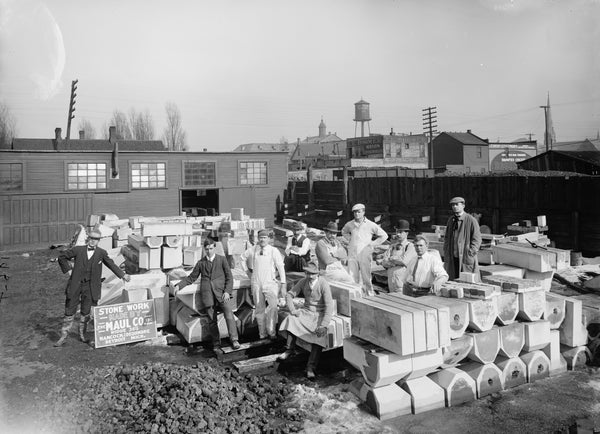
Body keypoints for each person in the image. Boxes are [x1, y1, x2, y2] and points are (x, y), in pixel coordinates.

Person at [56, 229, 130, 347]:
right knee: (70, 309)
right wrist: (69, 270)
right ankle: (63, 336)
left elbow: (111, 264)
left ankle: (82, 335)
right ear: (88, 239)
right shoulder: (78, 250)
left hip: (90, 286)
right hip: (76, 284)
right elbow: (62, 257)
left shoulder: (101, 253)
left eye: (96, 240)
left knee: (86, 311)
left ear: (98, 241)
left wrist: (122, 275)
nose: (93, 242)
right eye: (91, 239)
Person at [176, 238, 240, 350]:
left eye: (211, 248)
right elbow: (191, 278)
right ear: (204, 250)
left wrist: (227, 292)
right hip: (208, 295)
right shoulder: (201, 263)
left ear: (214, 248)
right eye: (207, 249)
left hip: (222, 294)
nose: (209, 251)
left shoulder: (222, 260)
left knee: (229, 316)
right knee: (212, 320)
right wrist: (179, 285)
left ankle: (234, 340)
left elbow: (229, 278)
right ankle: (216, 343)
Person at [277, 262, 333, 379]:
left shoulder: (323, 284)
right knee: (291, 319)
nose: (310, 276)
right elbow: (289, 295)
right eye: (307, 273)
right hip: (306, 311)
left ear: (317, 274)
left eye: (312, 274)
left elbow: (329, 306)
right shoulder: (303, 281)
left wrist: (324, 325)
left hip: (319, 314)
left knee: (319, 336)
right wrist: (292, 310)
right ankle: (289, 349)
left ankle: (310, 367)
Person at [241, 229, 287, 340]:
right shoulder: (253, 249)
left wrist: (283, 282)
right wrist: (247, 271)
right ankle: (262, 333)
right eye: (260, 238)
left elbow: (280, 266)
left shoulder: (273, 251)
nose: (262, 240)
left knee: (273, 307)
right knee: (259, 308)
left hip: (270, 282)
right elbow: (242, 258)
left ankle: (271, 332)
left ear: (269, 239)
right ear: (258, 238)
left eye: (264, 237)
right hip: (256, 282)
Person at [341, 203, 388, 296]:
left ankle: (370, 295)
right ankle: (354, 295)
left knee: (366, 276)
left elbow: (384, 235)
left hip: (365, 253)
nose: (356, 214)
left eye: (359, 212)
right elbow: (344, 232)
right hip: (352, 253)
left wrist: (372, 244)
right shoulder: (350, 224)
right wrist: (350, 240)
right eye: (355, 212)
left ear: (363, 212)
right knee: (352, 276)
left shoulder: (370, 224)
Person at [443, 196, 482, 281]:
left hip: (465, 256)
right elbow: (446, 237)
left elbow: (477, 239)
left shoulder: (471, 220)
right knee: (453, 279)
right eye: (453, 205)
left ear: (463, 206)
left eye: (457, 204)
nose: (454, 207)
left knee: (467, 280)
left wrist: (471, 252)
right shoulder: (451, 220)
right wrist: (446, 250)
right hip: (453, 256)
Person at [381, 219, 417, 292]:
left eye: (400, 232)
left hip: (402, 284)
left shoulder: (410, 246)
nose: (398, 234)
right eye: (397, 231)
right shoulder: (392, 246)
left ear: (406, 233)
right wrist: (396, 261)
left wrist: (391, 259)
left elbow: (404, 261)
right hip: (391, 282)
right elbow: (384, 262)